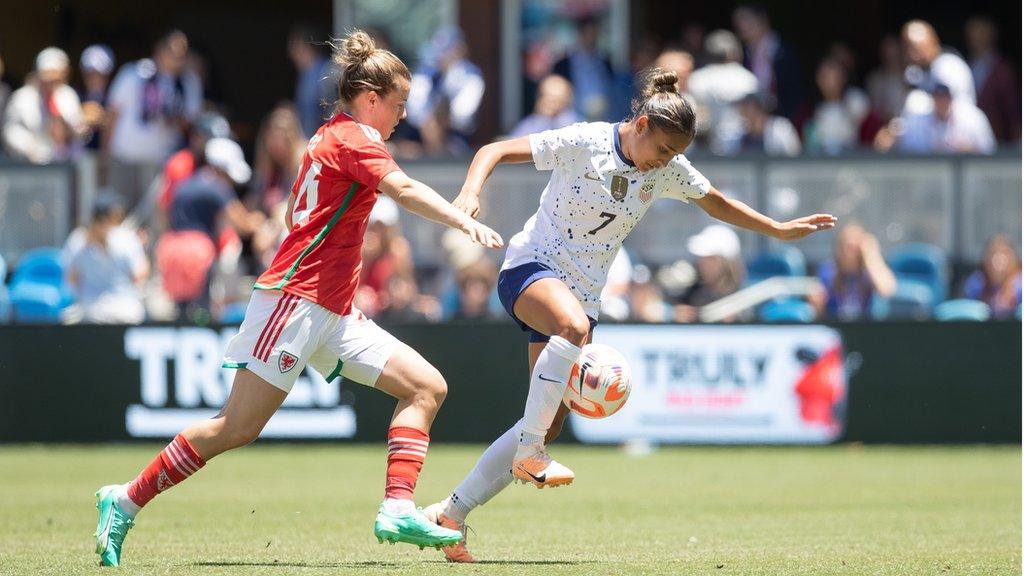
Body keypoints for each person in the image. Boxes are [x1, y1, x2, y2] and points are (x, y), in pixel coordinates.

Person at [92, 30, 502, 566]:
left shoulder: (327, 137)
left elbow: (293, 215)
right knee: (236, 427)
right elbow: (400, 190)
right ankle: (123, 499)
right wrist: (461, 219)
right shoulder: (356, 139)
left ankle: (397, 507)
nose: (403, 115)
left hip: (330, 309)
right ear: (370, 99)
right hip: (295, 301)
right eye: (398, 105)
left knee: (426, 387)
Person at [420, 68, 836, 562]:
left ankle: (453, 512)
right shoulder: (585, 141)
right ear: (639, 125)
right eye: (663, 150)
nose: (667, 163)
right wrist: (470, 195)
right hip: (532, 267)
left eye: (675, 156)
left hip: (583, 295)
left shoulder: (665, 168)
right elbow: (492, 150)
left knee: (548, 421)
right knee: (570, 333)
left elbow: (716, 203)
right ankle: (530, 453)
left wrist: (777, 229)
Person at [156, 137, 263, 322]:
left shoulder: (185, 185)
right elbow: (242, 224)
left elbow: (164, 214)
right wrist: (261, 221)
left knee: (181, 312)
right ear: (220, 169)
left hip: (171, 249)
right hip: (197, 253)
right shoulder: (218, 187)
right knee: (203, 312)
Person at [63, 192, 148, 324]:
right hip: (126, 312)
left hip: (90, 313)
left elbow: (71, 278)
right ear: (113, 214)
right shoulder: (127, 237)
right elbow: (139, 275)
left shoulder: (77, 239)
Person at [405, 27, 485, 155]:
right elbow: (415, 113)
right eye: (441, 52)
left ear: (461, 50)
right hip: (420, 136)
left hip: (458, 137)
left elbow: (462, 116)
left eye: (450, 51)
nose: (443, 57)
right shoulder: (425, 73)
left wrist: (440, 117)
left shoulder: (471, 75)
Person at [3, 47, 87, 163]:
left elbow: (79, 129)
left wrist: (80, 126)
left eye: (56, 78)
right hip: (29, 166)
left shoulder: (68, 95)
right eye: (48, 77)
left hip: (64, 165)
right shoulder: (22, 98)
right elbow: (10, 131)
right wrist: (31, 147)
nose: (51, 83)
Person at [686, 29, 759, 155]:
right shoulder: (748, 79)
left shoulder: (697, 80)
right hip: (742, 149)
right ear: (733, 53)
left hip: (707, 149)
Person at [732, 4, 804, 123]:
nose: (741, 25)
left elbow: (794, 94)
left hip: (783, 121)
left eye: (744, 19)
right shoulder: (742, 55)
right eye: (737, 21)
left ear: (762, 19)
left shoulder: (783, 52)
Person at [878, 84, 995, 154]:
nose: (942, 101)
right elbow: (909, 151)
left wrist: (968, 150)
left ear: (951, 97)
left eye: (945, 97)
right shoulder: (918, 119)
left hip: (968, 182)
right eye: (938, 96)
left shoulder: (973, 117)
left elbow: (990, 152)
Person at [814, 223, 896, 321]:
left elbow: (886, 290)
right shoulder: (828, 271)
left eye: (851, 247)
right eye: (841, 246)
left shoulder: (869, 273)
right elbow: (820, 314)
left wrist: (871, 255)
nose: (846, 252)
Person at [672, 224, 746, 322]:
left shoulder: (748, 297)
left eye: (710, 258)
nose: (701, 263)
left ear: (726, 262)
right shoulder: (691, 293)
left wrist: (735, 319)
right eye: (702, 258)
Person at [899, 20, 974, 117]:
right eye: (907, 48)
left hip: (959, 125)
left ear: (932, 43)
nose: (912, 55)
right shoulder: (917, 70)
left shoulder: (949, 66)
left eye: (916, 49)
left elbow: (948, 109)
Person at [964, 16, 1020, 143]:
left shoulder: (1003, 70)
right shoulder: (964, 66)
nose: (976, 38)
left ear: (992, 35)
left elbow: (1013, 110)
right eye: (972, 33)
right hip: (967, 142)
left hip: (998, 143)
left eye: (981, 33)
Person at [552, 16, 617, 121]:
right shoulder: (563, 65)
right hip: (573, 121)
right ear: (580, 35)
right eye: (588, 34)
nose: (591, 39)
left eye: (594, 35)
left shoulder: (605, 63)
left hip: (604, 119)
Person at [805, 58, 870, 155]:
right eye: (823, 77)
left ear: (842, 77)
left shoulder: (856, 100)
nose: (828, 82)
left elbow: (869, 131)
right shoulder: (814, 110)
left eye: (832, 76)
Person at [288, 24, 336, 138]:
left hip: (323, 140)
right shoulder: (305, 75)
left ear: (302, 46)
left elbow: (328, 110)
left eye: (293, 46)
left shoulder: (326, 70)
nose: (290, 53)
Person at [962, 235, 1021, 319]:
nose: (996, 260)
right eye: (992, 254)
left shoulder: (1020, 285)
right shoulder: (976, 283)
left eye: (1003, 254)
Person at [509, 74, 580, 138]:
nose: (553, 105)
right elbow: (513, 142)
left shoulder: (574, 126)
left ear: (567, 101)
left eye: (557, 100)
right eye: (548, 97)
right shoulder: (531, 123)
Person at [737, 91, 802, 156]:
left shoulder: (781, 128)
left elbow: (794, 154)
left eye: (750, 107)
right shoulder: (740, 133)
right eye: (744, 107)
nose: (745, 111)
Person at [79, 44, 116, 150]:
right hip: (79, 157)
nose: (95, 79)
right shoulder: (74, 97)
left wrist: (104, 119)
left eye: (100, 74)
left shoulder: (115, 99)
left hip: (109, 157)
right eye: (90, 74)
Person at [866, 36, 907, 124]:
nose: (890, 54)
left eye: (893, 49)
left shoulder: (910, 75)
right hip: (885, 127)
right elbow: (875, 108)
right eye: (886, 50)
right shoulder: (875, 79)